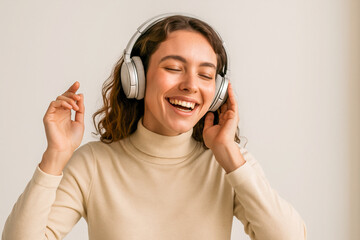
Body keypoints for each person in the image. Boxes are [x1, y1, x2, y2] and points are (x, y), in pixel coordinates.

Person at [2, 13, 306, 240]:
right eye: (174, 68)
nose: (190, 85)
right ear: (137, 78)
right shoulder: (93, 164)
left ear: (217, 91)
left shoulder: (228, 165)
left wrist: (229, 155)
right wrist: (55, 156)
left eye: (205, 74)